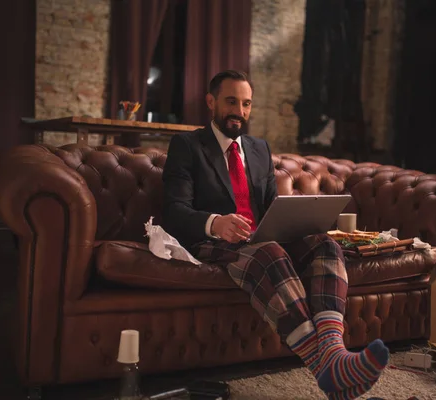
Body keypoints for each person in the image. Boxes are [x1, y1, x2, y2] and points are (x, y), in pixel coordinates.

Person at [162, 70, 389, 400]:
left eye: (246, 103)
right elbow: (174, 210)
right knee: (270, 253)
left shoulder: (258, 149)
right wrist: (215, 222)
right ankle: (330, 367)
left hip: (263, 239)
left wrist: (296, 218)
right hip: (214, 242)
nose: (239, 111)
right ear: (211, 102)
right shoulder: (187, 146)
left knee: (325, 245)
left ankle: (333, 356)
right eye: (231, 102)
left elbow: (271, 206)